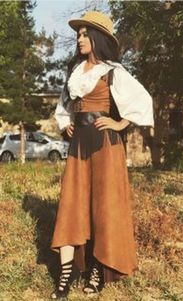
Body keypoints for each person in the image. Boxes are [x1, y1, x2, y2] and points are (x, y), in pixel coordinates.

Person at [50, 11, 154, 299]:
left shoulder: (113, 71)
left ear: (97, 38)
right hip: (79, 145)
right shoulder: (74, 72)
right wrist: (66, 125)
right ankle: (67, 271)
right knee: (72, 203)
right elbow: (63, 107)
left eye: (85, 34)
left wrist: (120, 123)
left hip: (106, 146)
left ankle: (97, 268)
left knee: (103, 207)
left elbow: (143, 100)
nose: (80, 39)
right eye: (78, 35)